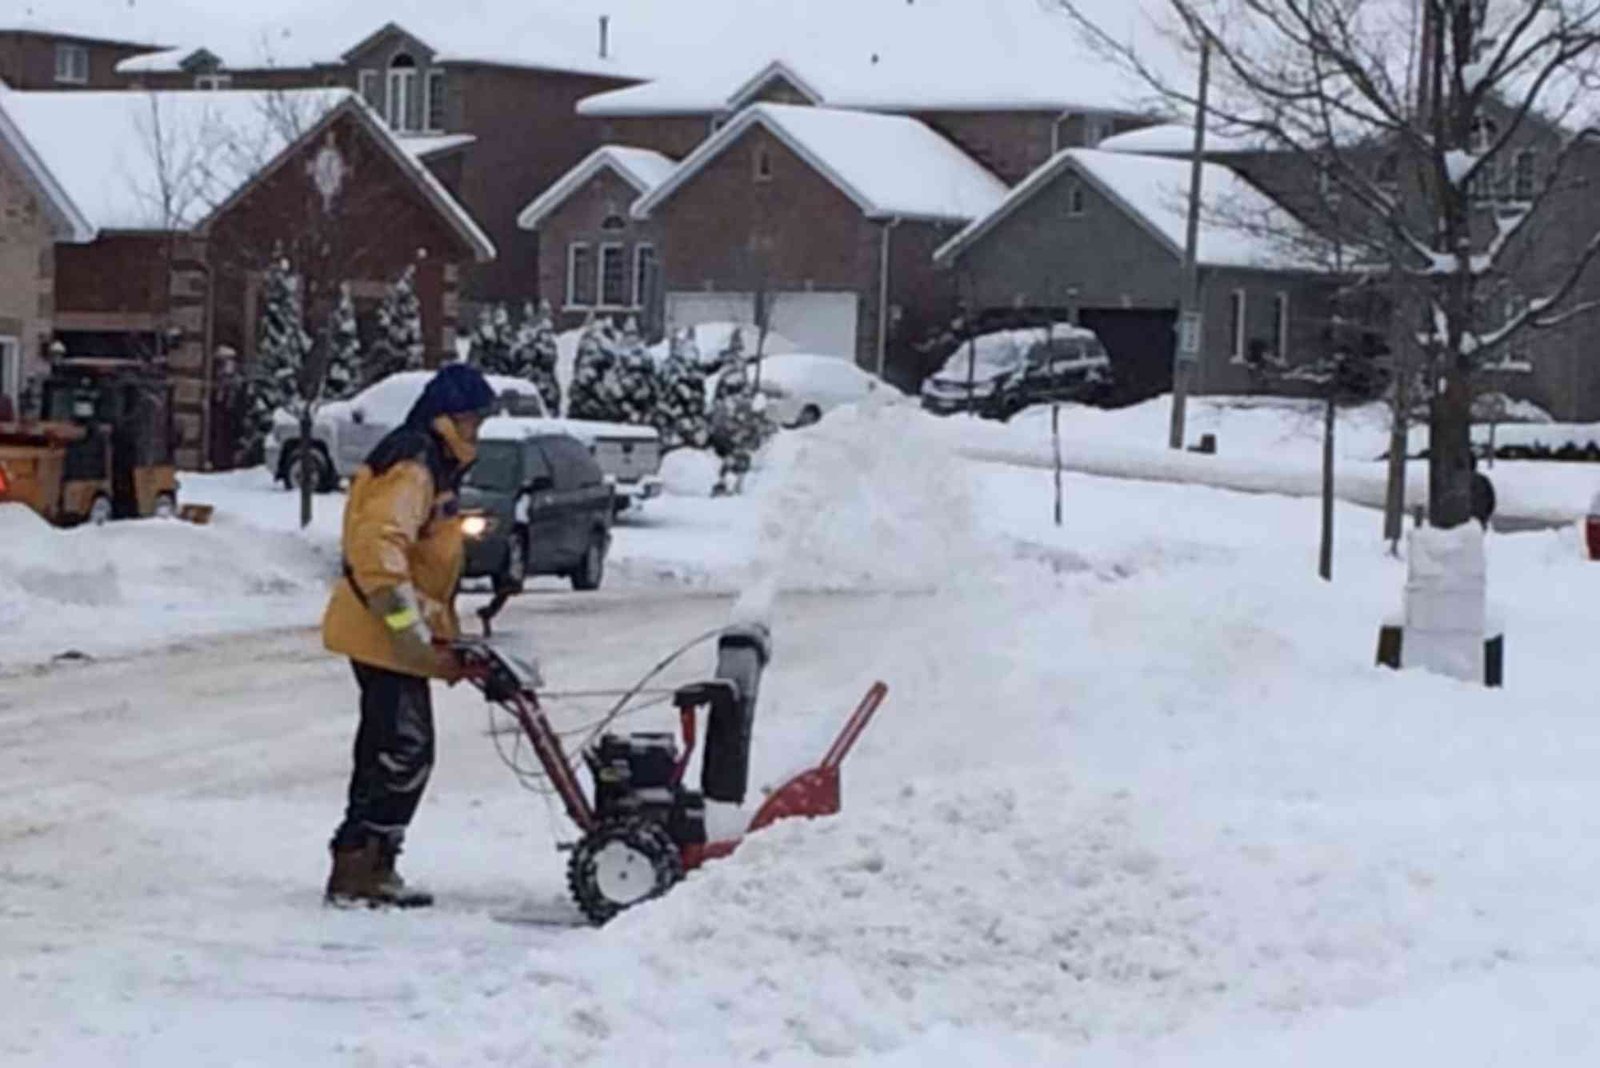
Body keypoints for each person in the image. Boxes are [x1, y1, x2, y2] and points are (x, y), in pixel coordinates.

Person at [321, 363, 496, 908]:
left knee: (391, 747)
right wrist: (406, 630)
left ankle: (369, 863)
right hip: (382, 627)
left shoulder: (431, 461)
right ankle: (360, 869)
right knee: (400, 750)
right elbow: (378, 547)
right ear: (447, 417)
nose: (476, 432)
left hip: (390, 628)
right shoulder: (415, 465)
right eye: (471, 421)